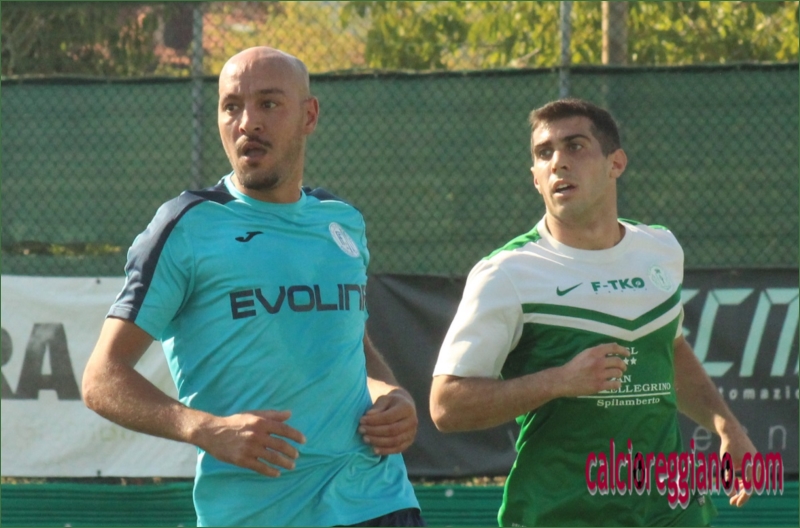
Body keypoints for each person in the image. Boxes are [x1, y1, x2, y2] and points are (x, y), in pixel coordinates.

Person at [82, 47, 424, 527]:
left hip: (379, 500)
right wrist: (205, 429)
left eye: (268, 103)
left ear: (309, 115)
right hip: (259, 515)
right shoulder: (186, 227)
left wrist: (392, 393)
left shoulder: (342, 222)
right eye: (231, 106)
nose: (247, 123)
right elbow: (101, 378)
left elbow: (351, 344)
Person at [429, 98, 757, 526]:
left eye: (575, 146)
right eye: (544, 153)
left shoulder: (660, 249)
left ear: (615, 163)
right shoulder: (507, 274)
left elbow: (670, 349)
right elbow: (446, 406)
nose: (558, 162)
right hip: (560, 515)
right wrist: (559, 380)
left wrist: (727, 425)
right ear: (535, 179)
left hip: (670, 512)